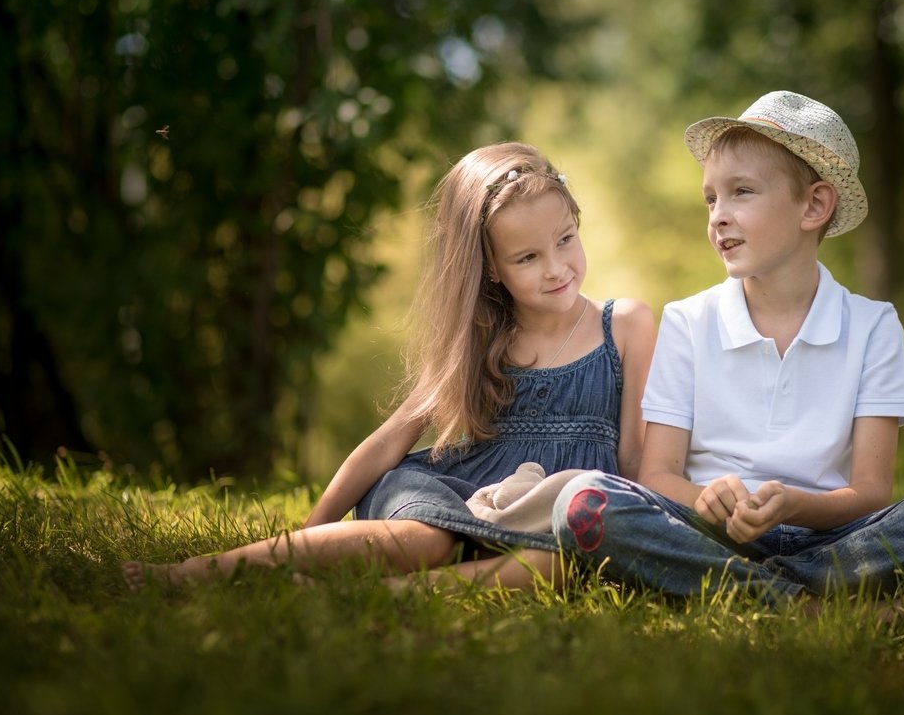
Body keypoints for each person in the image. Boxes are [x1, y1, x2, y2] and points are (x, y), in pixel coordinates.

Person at [551, 91, 904, 607]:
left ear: (814, 205)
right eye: (711, 198)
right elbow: (657, 475)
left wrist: (794, 504)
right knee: (584, 503)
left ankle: (746, 587)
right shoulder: (688, 320)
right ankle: (815, 604)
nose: (718, 216)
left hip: (833, 540)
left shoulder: (872, 325)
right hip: (713, 534)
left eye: (741, 192)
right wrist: (707, 500)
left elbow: (870, 493)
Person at [123, 142, 654, 592]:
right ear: (491, 268)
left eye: (565, 240)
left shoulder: (624, 325)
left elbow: (632, 456)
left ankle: (395, 593)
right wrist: (314, 529)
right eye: (528, 258)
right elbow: (387, 442)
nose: (557, 268)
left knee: (571, 562)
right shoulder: (484, 339)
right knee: (431, 539)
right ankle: (196, 573)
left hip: (557, 514)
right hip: (458, 500)